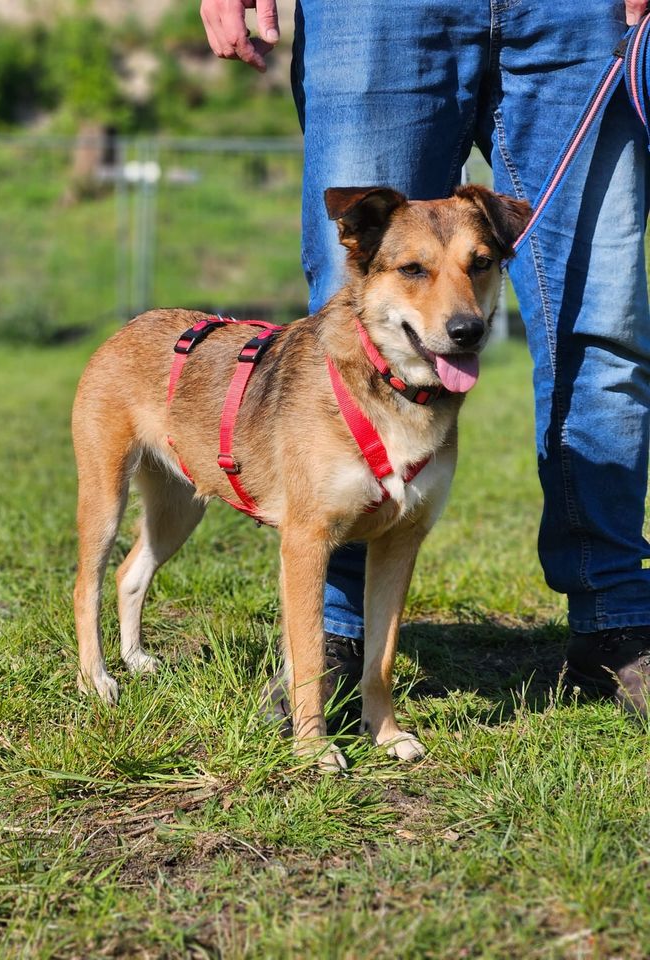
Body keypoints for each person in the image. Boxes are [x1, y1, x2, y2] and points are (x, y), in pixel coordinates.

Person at [199, 0, 650, 716]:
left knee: (603, 324)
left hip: (580, 12)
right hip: (376, 13)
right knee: (345, 304)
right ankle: (337, 637)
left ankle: (616, 621)